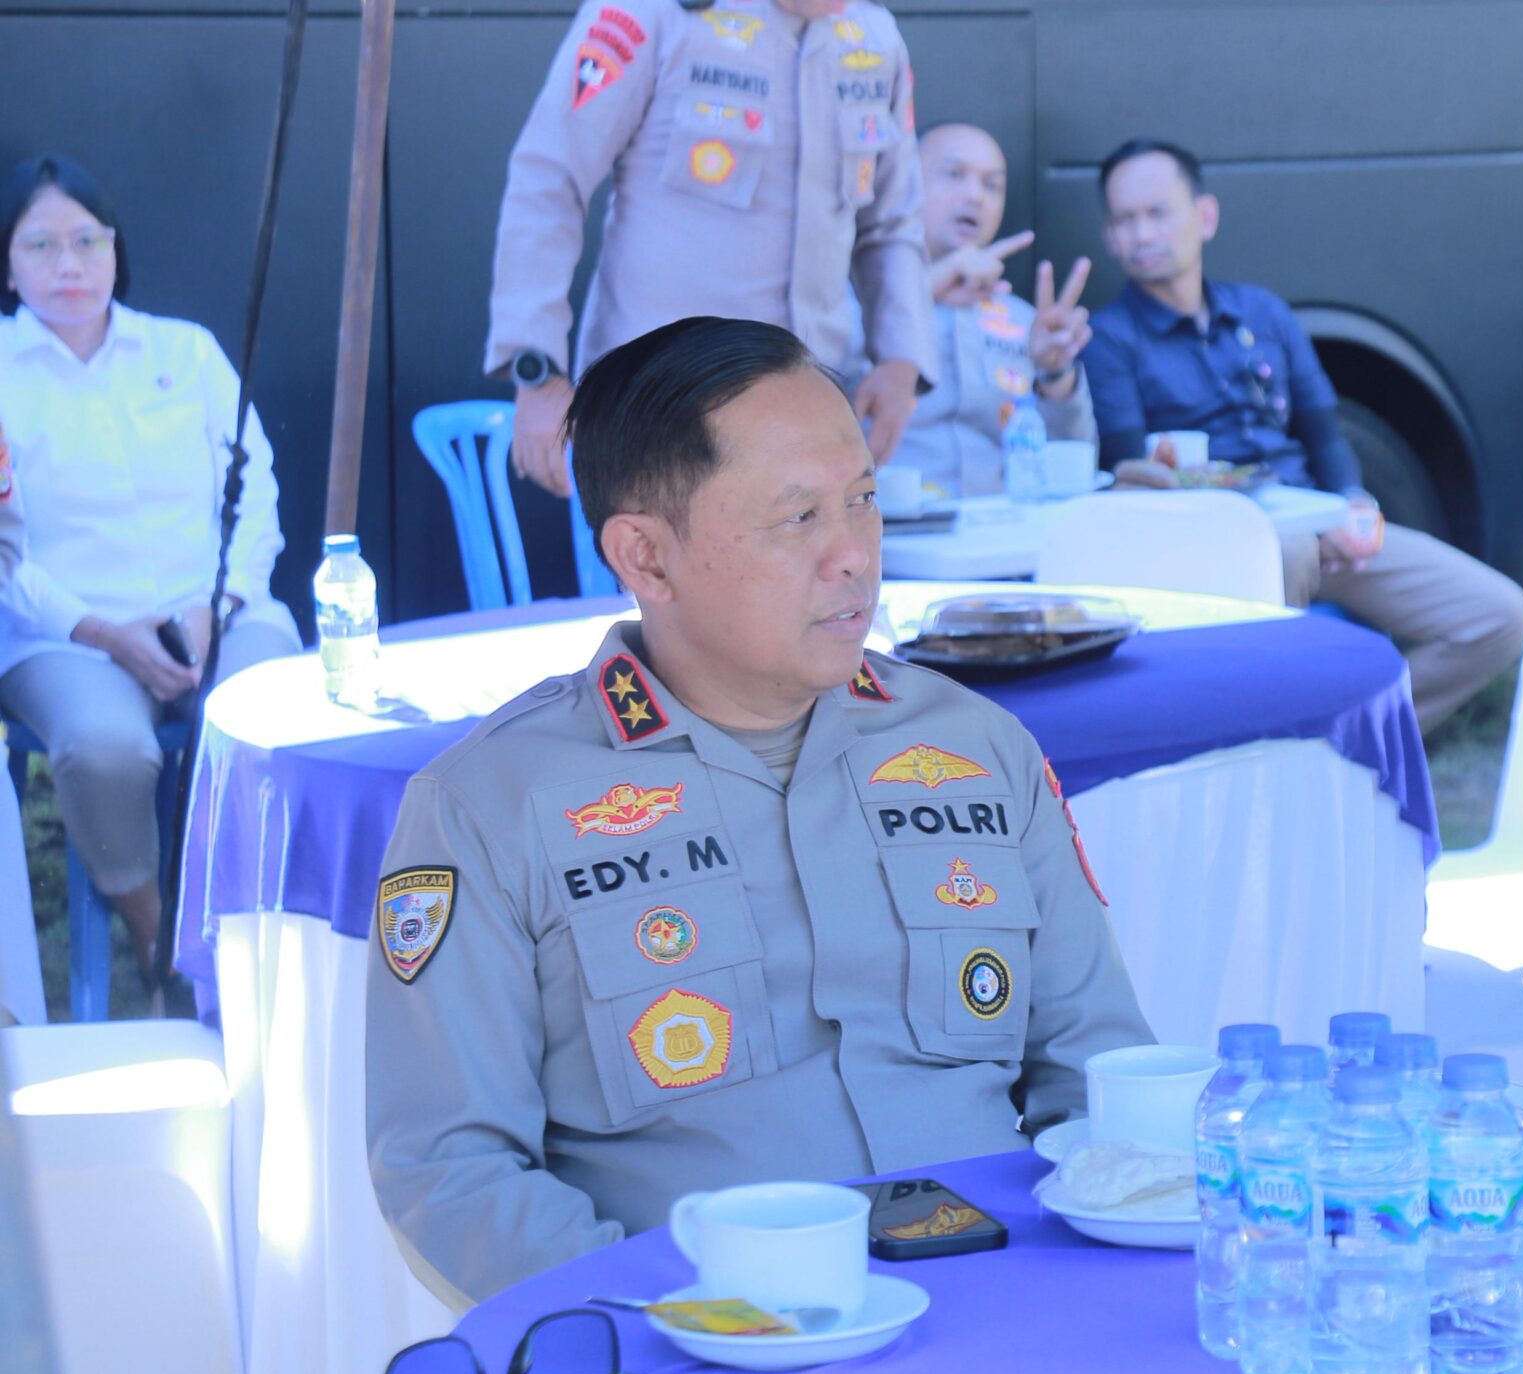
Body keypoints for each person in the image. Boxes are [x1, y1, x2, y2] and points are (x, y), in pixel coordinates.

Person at [367, 316, 1152, 1304]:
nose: (855, 556)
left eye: (861, 502)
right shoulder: (493, 805)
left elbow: (1101, 1071)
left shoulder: (977, 750)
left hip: (1008, 1328)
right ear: (646, 557)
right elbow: (450, 1171)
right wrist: (684, 1323)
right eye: (798, 519)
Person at [1082, 139, 1523, 734]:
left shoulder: (1263, 313)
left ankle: (1348, 734)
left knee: (1499, 615)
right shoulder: (1109, 338)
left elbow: (1324, 433)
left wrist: (1353, 501)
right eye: (1123, 220)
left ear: (1204, 216)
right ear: (1109, 237)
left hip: (1318, 524)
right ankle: (1264, 741)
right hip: (1218, 539)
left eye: (1156, 212)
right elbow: (1128, 465)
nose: (1140, 235)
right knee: (1284, 552)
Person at [0, 155, 302, 973]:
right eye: (41, 246)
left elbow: (256, 484)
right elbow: (5, 553)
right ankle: (160, 932)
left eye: (88, 242)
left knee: (270, 716)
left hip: (215, 611)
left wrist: (222, 603)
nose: (69, 265)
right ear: (7, 260)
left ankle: (255, 923)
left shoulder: (187, 352)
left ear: (116, 250)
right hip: (61, 632)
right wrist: (103, 632)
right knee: (105, 747)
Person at [485, 0, 934, 498]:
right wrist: (538, 372)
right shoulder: (650, 11)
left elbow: (892, 225)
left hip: (811, 414)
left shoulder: (875, 38)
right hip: (661, 412)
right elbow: (548, 182)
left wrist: (901, 359)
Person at [885, 123, 1096, 498]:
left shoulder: (1025, 321)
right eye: (954, 174)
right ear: (904, 183)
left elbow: (1072, 462)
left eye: (992, 185)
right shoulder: (856, 307)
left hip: (1005, 534)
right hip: (889, 538)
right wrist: (918, 295)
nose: (975, 196)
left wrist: (1055, 372)